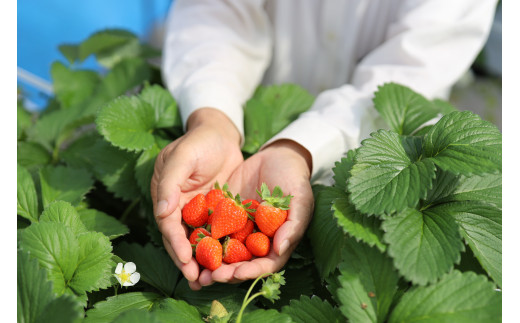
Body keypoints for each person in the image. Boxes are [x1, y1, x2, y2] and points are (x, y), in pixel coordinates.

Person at [152, 0, 497, 290]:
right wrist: (213, 119)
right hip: (259, 108)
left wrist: (298, 148)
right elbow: (218, 10)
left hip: (382, 158)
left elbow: (410, 74)